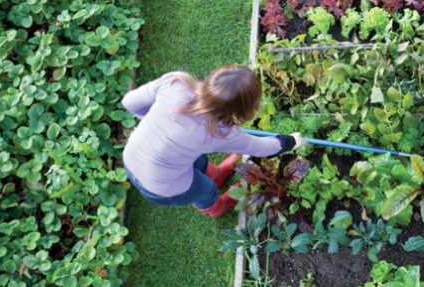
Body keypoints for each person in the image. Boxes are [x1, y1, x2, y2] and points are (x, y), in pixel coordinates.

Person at [120, 65, 309, 218]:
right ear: (244, 110)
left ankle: (217, 174)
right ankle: (217, 207)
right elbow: (262, 148)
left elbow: (129, 102)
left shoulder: (176, 83)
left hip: (131, 156)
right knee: (205, 189)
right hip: (160, 187)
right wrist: (292, 141)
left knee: (197, 160)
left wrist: (154, 124)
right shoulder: (221, 132)